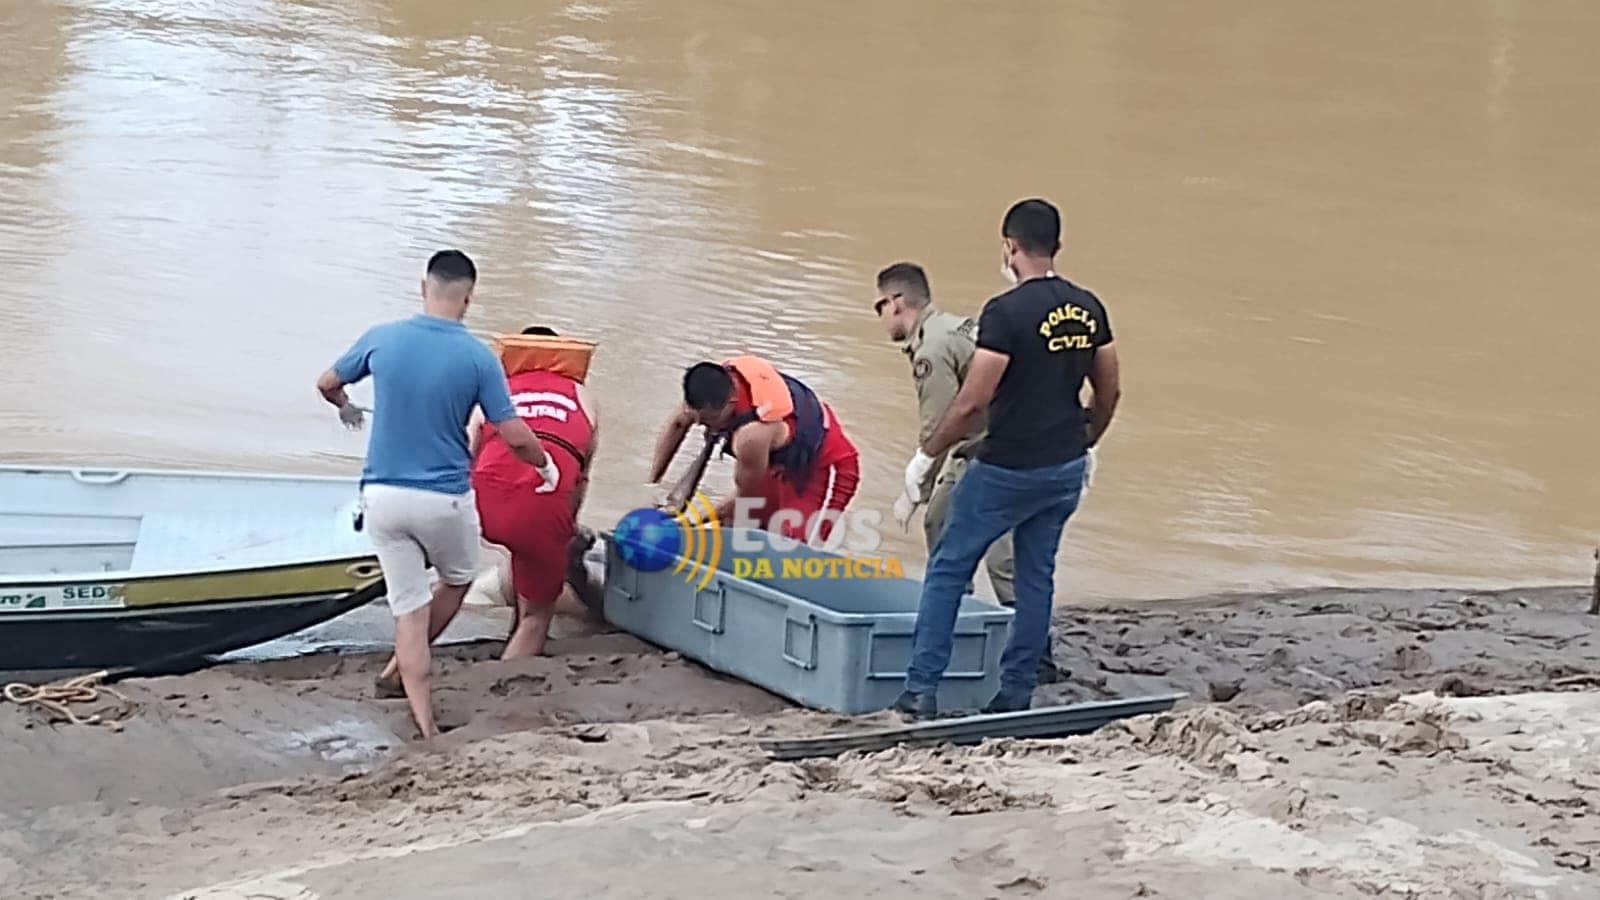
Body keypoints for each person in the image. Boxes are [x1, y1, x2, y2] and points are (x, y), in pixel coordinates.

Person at [317, 250, 558, 739]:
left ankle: (421, 716)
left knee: (408, 607)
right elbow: (511, 433)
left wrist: (346, 406)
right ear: (468, 298)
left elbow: (327, 383)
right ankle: (408, 686)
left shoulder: (381, 338)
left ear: (422, 288)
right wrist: (546, 465)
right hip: (443, 500)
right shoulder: (477, 357)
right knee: (457, 576)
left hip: (382, 497)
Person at [895, 199, 1120, 717]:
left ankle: (920, 689)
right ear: (1056, 247)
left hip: (1006, 468)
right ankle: (1015, 691)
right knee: (1036, 574)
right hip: (1061, 466)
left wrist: (925, 458)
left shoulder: (1005, 313)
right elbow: (1108, 391)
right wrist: (1089, 443)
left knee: (950, 566)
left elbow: (973, 400)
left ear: (1010, 247)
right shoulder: (1089, 308)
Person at [470, 325, 601, 659]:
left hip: (485, 494)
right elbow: (579, 479)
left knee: (517, 553)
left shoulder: (498, 388)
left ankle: (405, 661)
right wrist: (566, 528)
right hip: (543, 498)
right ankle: (507, 683)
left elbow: (467, 450)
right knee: (538, 615)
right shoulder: (582, 396)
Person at [649, 356, 859, 543]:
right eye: (696, 419)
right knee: (735, 525)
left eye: (708, 421)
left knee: (788, 549)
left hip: (824, 463)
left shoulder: (751, 436)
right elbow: (677, 424)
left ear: (730, 403)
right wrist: (652, 485)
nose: (703, 426)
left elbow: (747, 502)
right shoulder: (706, 390)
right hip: (778, 460)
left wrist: (693, 523)